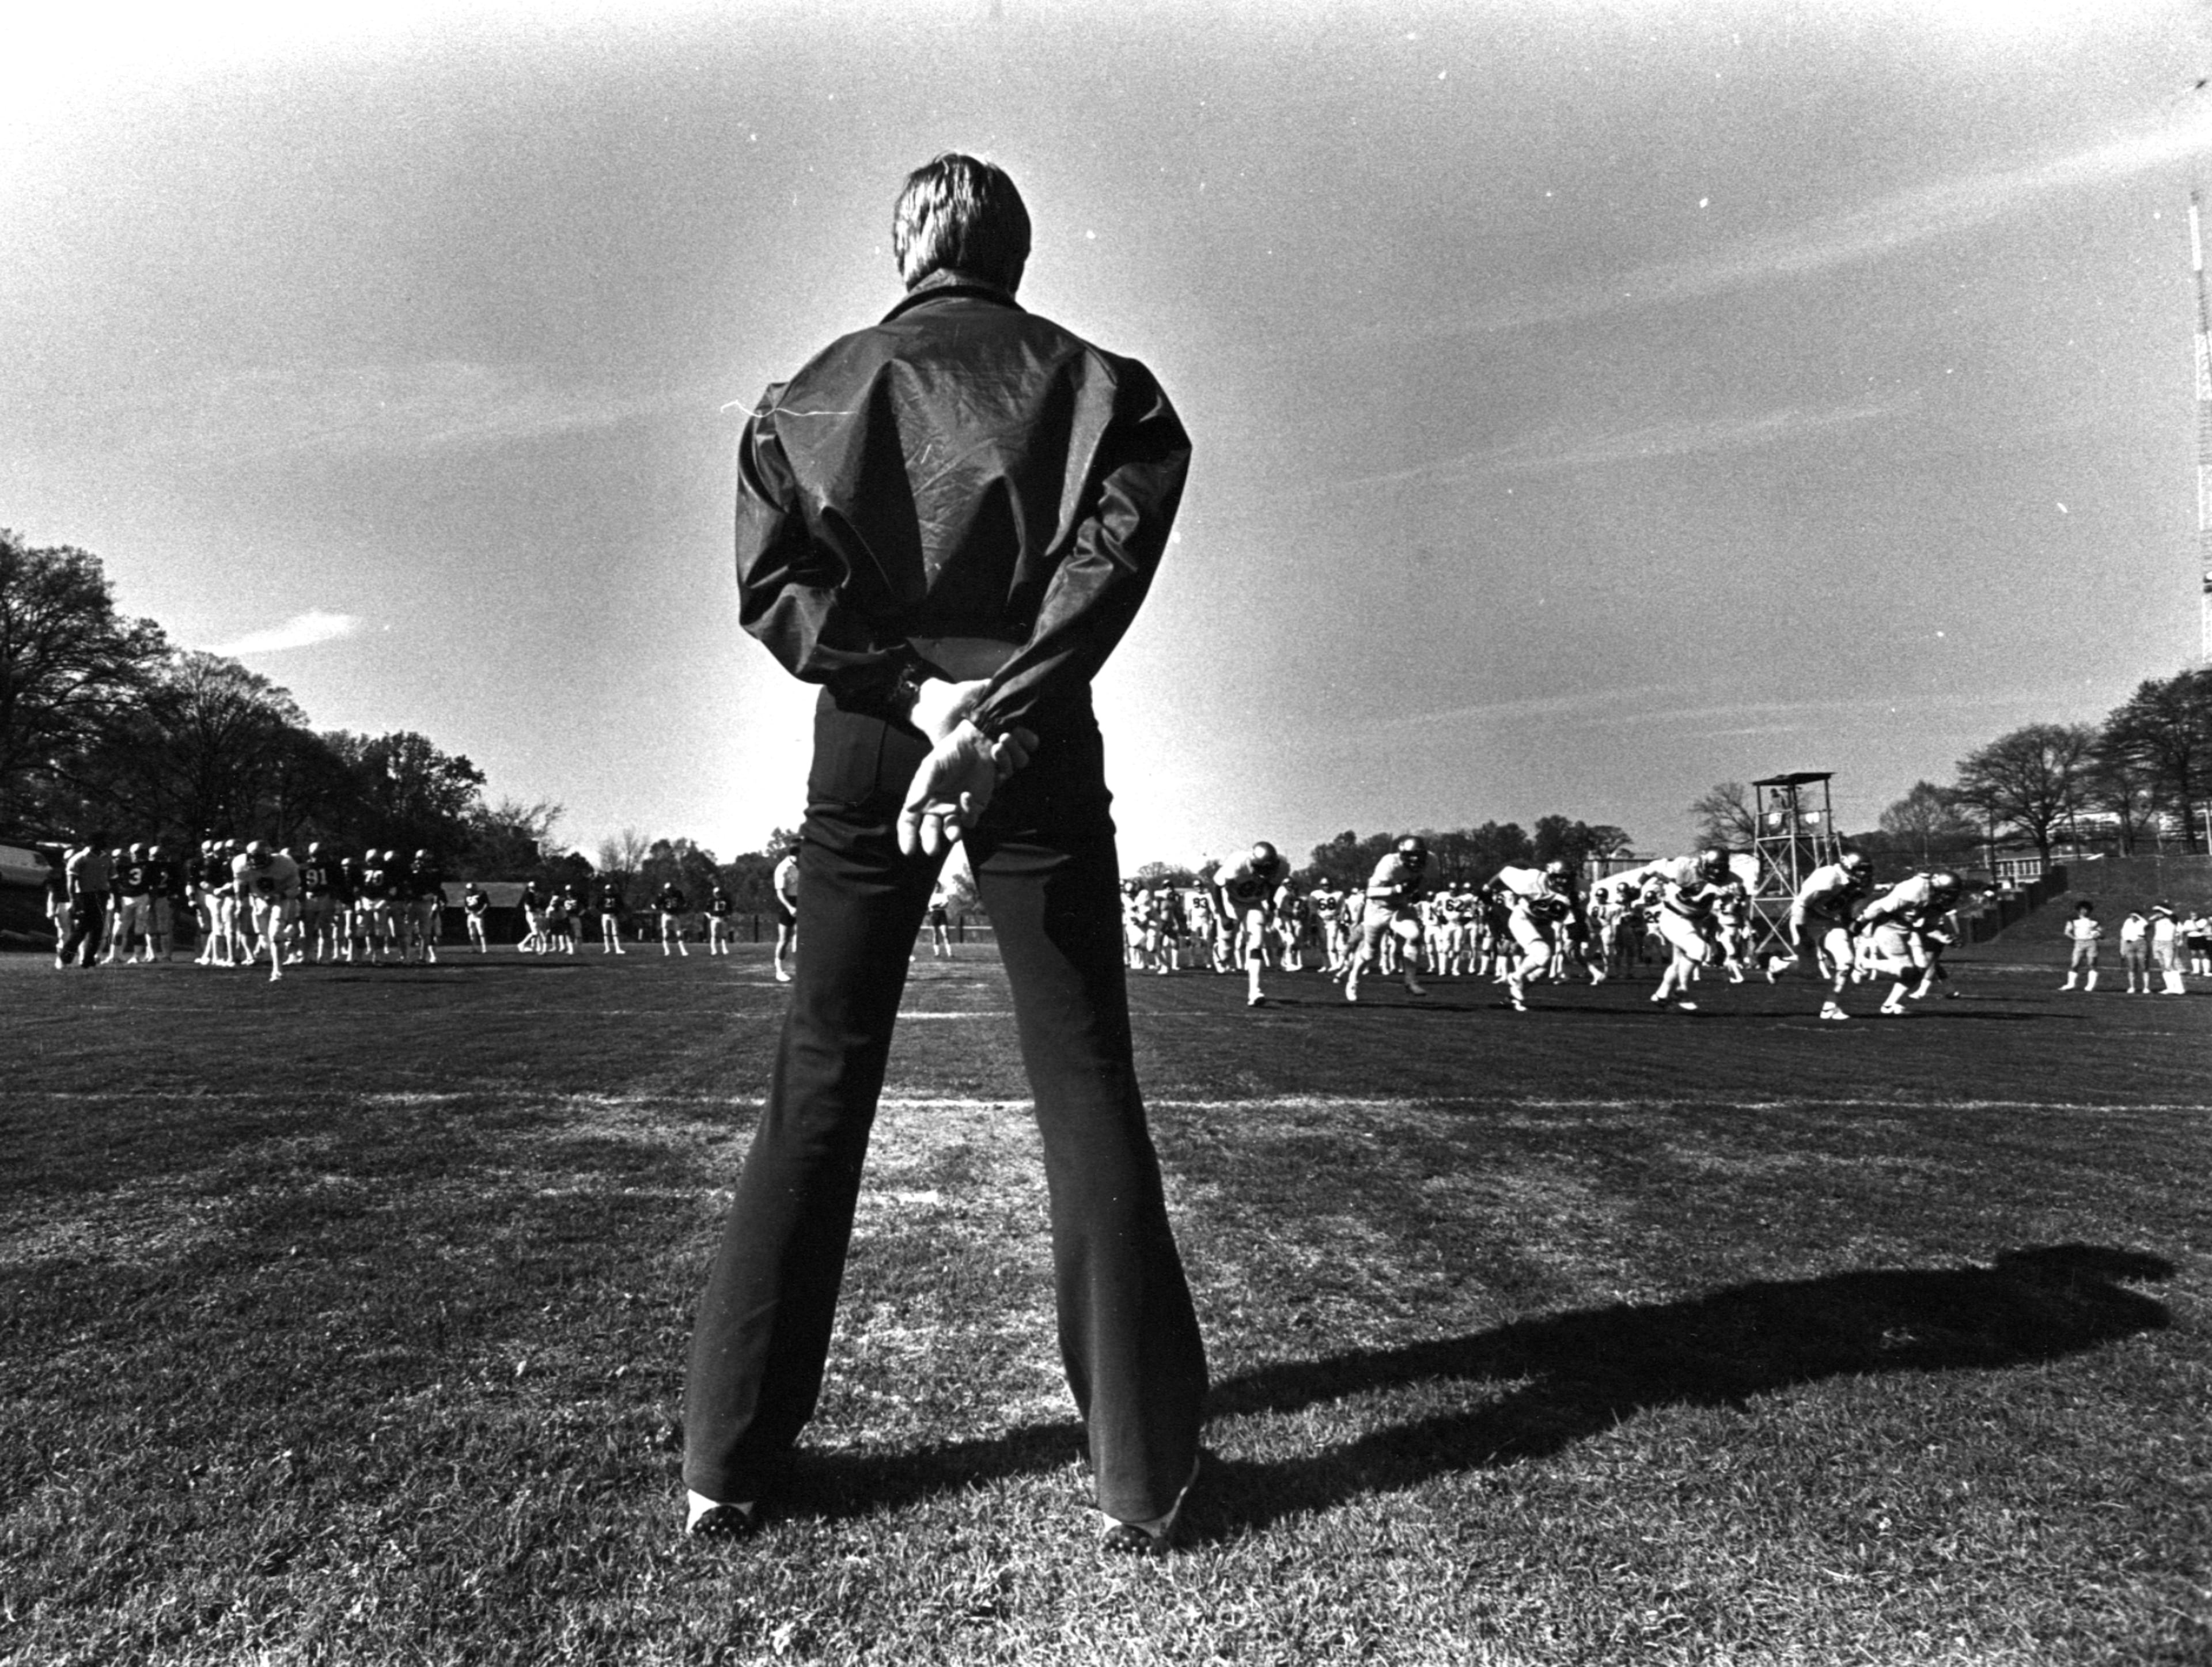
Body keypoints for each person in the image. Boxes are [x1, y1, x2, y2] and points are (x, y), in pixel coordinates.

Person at [683, 155, 1207, 1555]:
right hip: (1037, 731)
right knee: (1084, 1070)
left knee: (821, 1067)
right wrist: (996, 713)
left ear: (904, 250)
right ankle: (1140, 1472)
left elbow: (774, 586)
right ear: (1016, 253)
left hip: (870, 735)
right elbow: (1103, 574)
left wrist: (918, 700)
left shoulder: (806, 393)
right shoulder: (1113, 390)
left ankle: (726, 1458)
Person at [1344, 837, 1433, 1003]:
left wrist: (1417, 894)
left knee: (1414, 935)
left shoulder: (1431, 861)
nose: (1415, 859)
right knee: (1370, 954)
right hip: (1377, 909)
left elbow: (1422, 885)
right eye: (1411, 855)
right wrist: (1396, 889)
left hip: (1399, 906)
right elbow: (1370, 892)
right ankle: (1353, 981)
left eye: (1419, 855)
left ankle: (1411, 982)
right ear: (1402, 854)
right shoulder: (1389, 863)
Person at [1213, 842, 1287, 1006]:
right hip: (1232, 903)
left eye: (1269, 869)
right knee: (1226, 952)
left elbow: (1274, 884)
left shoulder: (1282, 867)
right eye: (1261, 868)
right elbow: (1216, 887)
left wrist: (1270, 900)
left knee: (1256, 944)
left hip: (1255, 903)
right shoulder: (1237, 863)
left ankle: (1255, 992)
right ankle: (1219, 951)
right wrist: (1223, 915)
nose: (1265, 873)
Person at [769, 842, 800, 982]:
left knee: (802, 936)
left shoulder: (804, 864)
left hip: (802, 901)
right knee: (784, 939)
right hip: (787, 903)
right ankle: (779, 971)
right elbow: (780, 893)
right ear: (795, 854)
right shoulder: (782, 868)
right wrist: (790, 908)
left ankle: (801, 968)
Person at [2058, 900, 2101, 993]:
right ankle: (2071, 984)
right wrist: (2075, 938)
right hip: (2079, 943)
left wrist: (2098, 935)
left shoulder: (2094, 922)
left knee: (2092, 963)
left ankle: (2090, 986)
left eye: (2086, 909)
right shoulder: (2073, 921)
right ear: (2079, 910)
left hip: (2091, 943)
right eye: (2082, 909)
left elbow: (2101, 933)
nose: (2084, 911)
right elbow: (2067, 932)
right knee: (2075, 963)